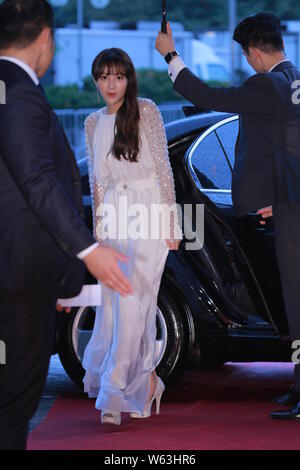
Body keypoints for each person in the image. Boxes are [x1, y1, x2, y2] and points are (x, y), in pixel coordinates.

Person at [0, 0, 132, 450]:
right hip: (18, 275)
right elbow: (36, 180)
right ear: (45, 38)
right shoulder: (18, 92)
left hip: (21, 267)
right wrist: (87, 251)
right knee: (15, 400)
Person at [156, 13, 300, 420]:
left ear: (253, 52)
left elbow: (206, 96)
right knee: (290, 303)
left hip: (292, 213)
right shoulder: (294, 82)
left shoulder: (266, 84)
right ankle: (297, 383)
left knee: (296, 302)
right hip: (288, 202)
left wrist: (172, 57)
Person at [82, 48, 181, 425]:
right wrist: (98, 235)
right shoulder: (92, 123)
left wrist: (172, 223)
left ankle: (113, 388)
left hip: (150, 213)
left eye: (118, 76)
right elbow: (97, 183)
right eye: (104, 76)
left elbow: (164, 170)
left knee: (132, 300)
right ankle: (148, 383)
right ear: (95, 80)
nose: (111, 83)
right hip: (115, 220)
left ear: (129, 79)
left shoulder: (148, 111)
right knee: (126, 307)